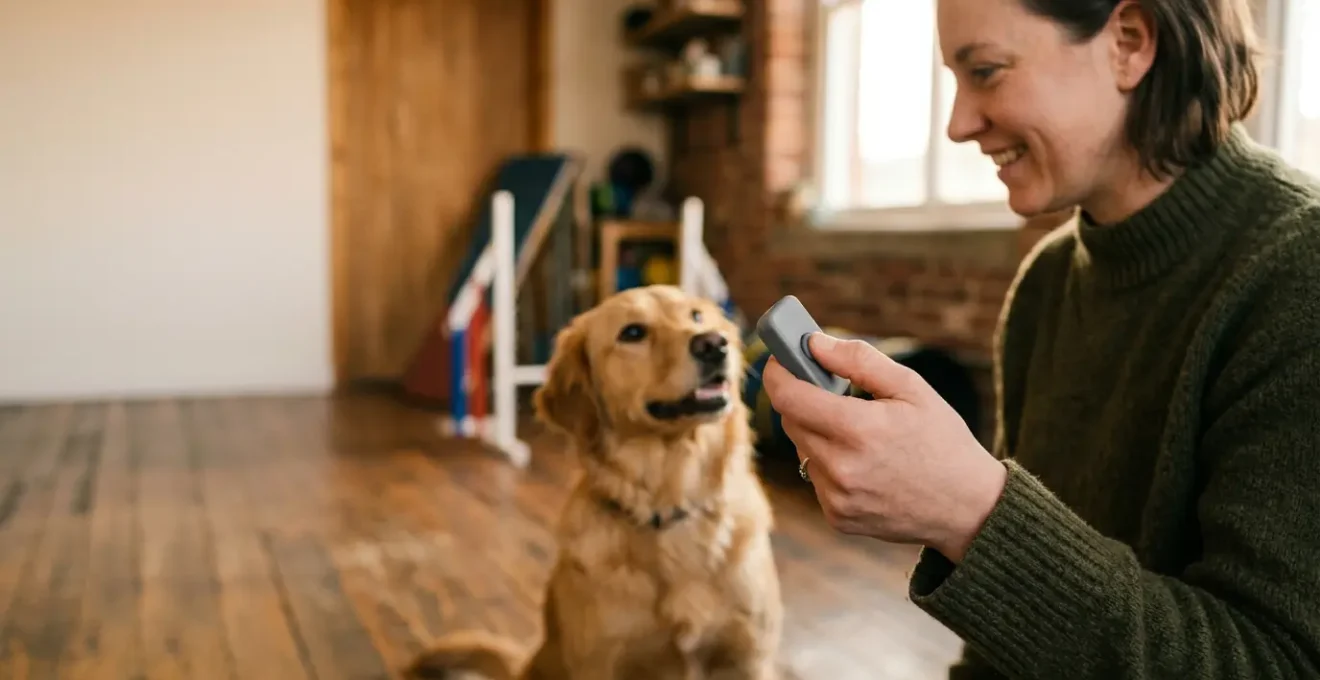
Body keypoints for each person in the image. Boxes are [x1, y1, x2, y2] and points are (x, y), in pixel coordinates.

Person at [761, 0, 1320, 678]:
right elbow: (1004, 650)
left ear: (1129, 42)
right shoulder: (1046, 283)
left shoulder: (1298, 276)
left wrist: (970, 513)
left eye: (987, 71)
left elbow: (1275, 661)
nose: (959, 123)